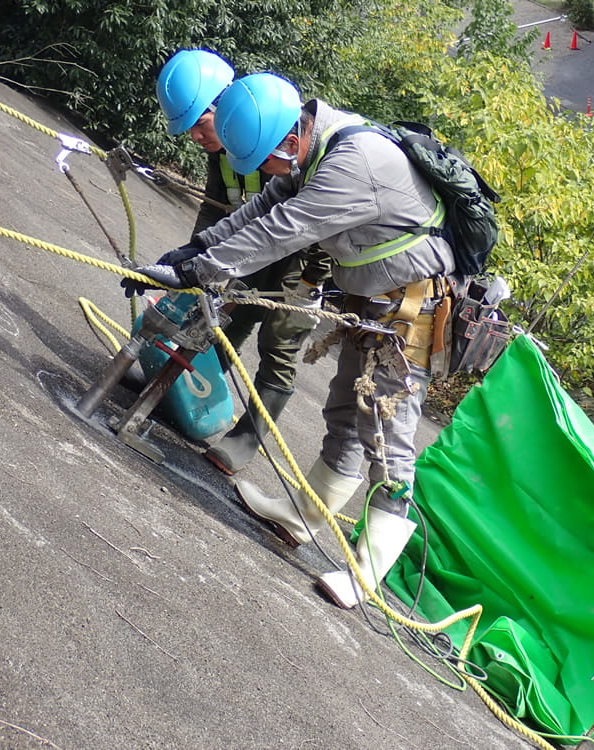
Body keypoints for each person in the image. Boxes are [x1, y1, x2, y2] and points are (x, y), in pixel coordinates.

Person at [122, 72, 455, 609]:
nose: (265, 175)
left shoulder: (351, 166)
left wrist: (198, 272)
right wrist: (188, 255)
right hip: (376, 304)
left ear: (290, 142)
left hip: (414, 313)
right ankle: (303, 518)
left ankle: (365, 577)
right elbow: (262, 210)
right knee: (346, 413)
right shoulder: (317, 142)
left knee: (388, 436)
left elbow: (284, 229)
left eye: (267, 163)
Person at [154, 49, 332, 474]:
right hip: (246, 252)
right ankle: (189, 394)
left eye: (199, 125)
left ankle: (247, 438)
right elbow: (218, 209)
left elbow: (321, 223)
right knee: (220, 320)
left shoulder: (276, 136)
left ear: (225, 105)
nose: (197, 139)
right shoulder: (225, 152)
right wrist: (194, 256)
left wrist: (313, 281)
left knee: (281, 343)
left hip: (300, 262)